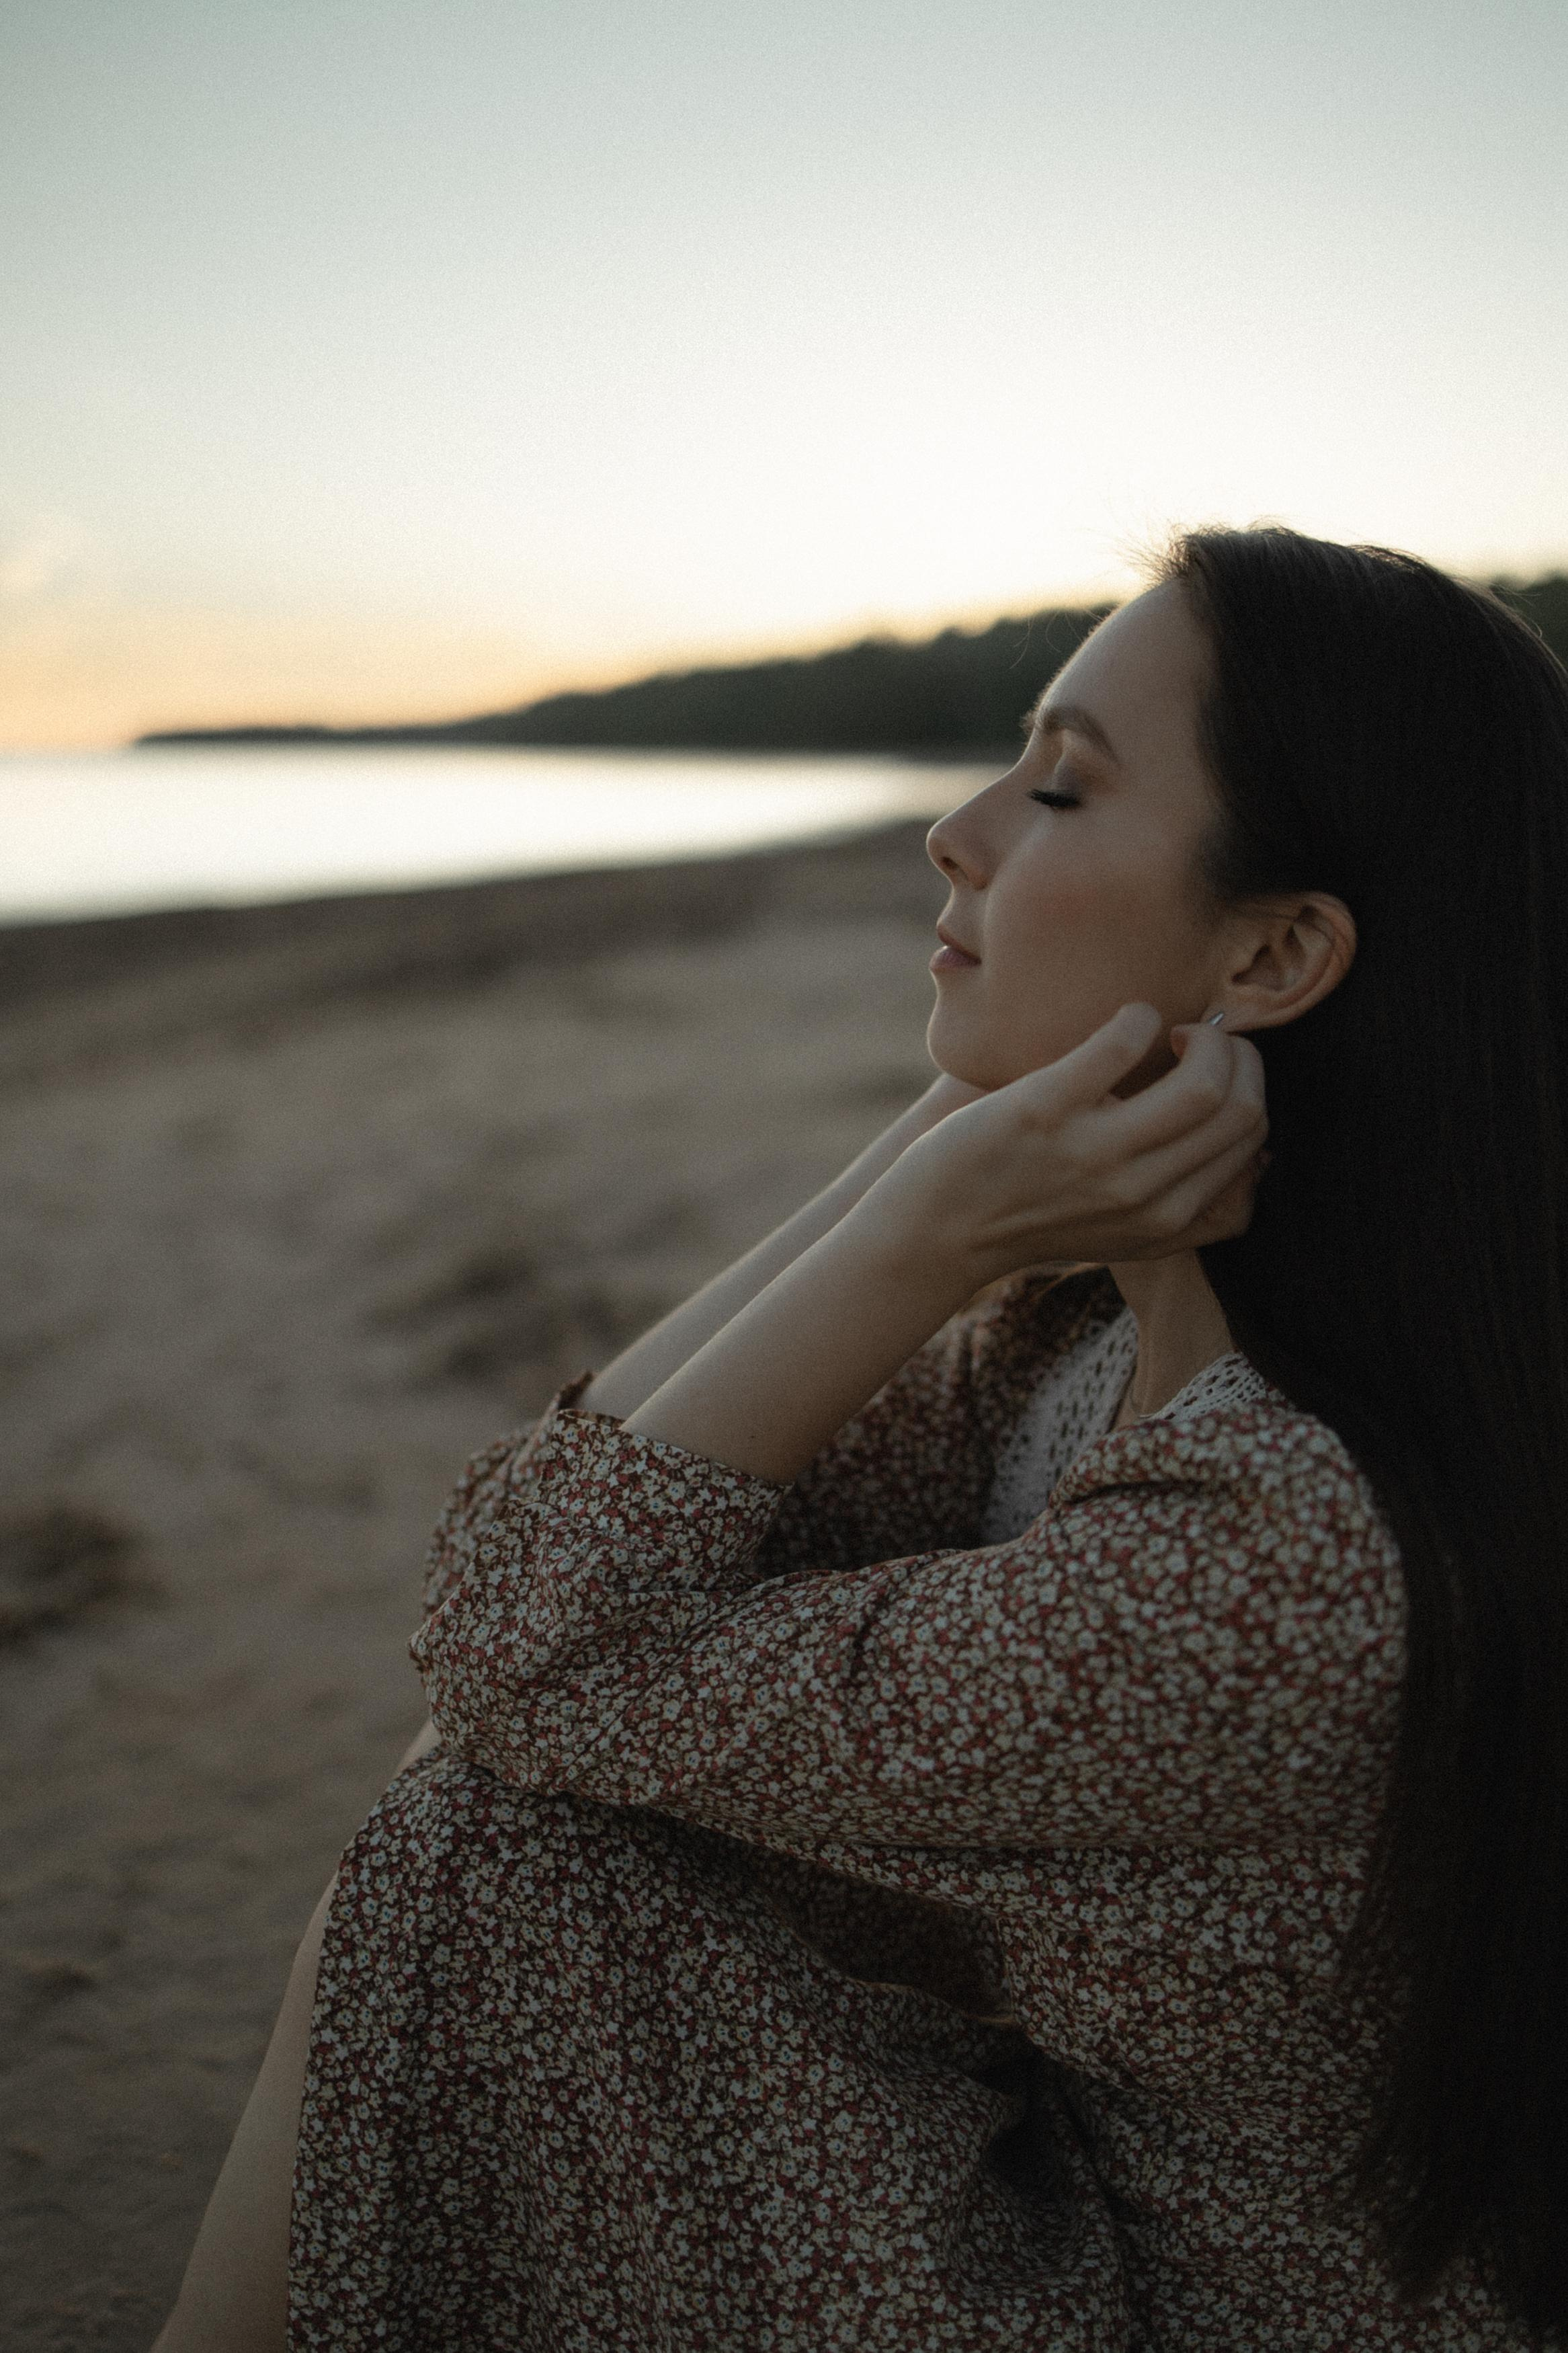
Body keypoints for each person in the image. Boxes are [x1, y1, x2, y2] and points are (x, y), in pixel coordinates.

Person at [155, 525, 1568, 2350]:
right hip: (1073, 2197)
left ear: (1278, 952)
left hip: (1179, 2308)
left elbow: (523, 1636)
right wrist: (933, 1160)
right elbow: (571, 1571)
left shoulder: (1272, 1549)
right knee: (495, 1843)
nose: (955, 833)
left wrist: (923, 1230)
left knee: (474, 1857)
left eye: (1060, 788)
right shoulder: (1088, 1344)